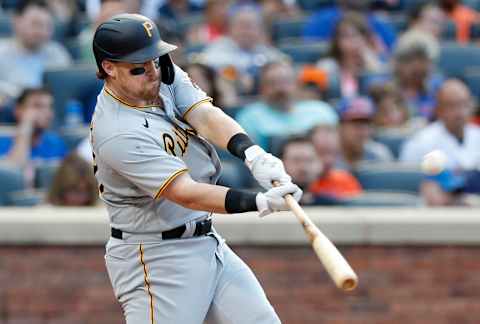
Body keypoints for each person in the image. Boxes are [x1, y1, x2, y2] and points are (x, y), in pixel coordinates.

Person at [90, 14, 302, 324]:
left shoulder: (160, 72)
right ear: (109, 67)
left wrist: (253, 154)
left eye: (155, 60)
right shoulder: (118, 130)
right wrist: (259, 201)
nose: (152, 72)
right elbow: (185, 193)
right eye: (139, 66)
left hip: (207, 240)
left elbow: (204, 115)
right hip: (157, 257)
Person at [235, 60, 338, 149]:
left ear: (297, 85)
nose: (280, 89)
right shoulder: (249, 116)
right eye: (273, 83)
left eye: (286, 82)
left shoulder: (321, 111)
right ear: (262, 88)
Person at [201, 5, 286, 94]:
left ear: (260, 31)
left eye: (250, 26)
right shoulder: (219, 45)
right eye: (241, 26)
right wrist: (238, 74)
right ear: (230, 29)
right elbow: (206, 66)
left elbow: (282, 63)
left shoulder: (264, 49)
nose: (245, 31)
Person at [400, 79, 480, 169]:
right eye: (452, 105)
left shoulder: (477, 134)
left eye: (464, 104)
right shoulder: (420, 142)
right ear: (439, 109)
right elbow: (409, 179)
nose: (460, 112)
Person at [0, 0, 72, 99]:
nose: (42, 31)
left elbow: (68, 88)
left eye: (47, 25)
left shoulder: (57, 53)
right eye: (36, 24)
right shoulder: (2, 52)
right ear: (16, 21)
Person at [316, 12, 386, 98]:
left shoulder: (374, 63)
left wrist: (370, 61)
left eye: (355, 35)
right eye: (345, 36)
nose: (351, 41)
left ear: (365, 38)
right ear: (336, 41)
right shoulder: (327, 66)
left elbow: (381, 94)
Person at [0, 87, 67, 169]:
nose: (46, 112)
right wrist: (26, 124)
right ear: (18, 110)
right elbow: (13, 174)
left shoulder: (56, 143)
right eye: (37, 106)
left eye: (50, 107)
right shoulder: (3, 142)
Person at [392, 30, 443, 121]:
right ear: (398, 64)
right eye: (410, 60)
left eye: (422, 59)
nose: (417, 66)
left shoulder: (439, 88)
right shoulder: (385, 91)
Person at [337, 96, 393, 170]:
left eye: (367, 124)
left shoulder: (380, 154)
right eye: (356, 124)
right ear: (340, 126)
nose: (363, 130)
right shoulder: (329, 157)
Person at [310, 125, 362, 200]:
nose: (328, 160)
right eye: (322, 152)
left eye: (332, 153)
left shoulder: (346, 180)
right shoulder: (299, 183)